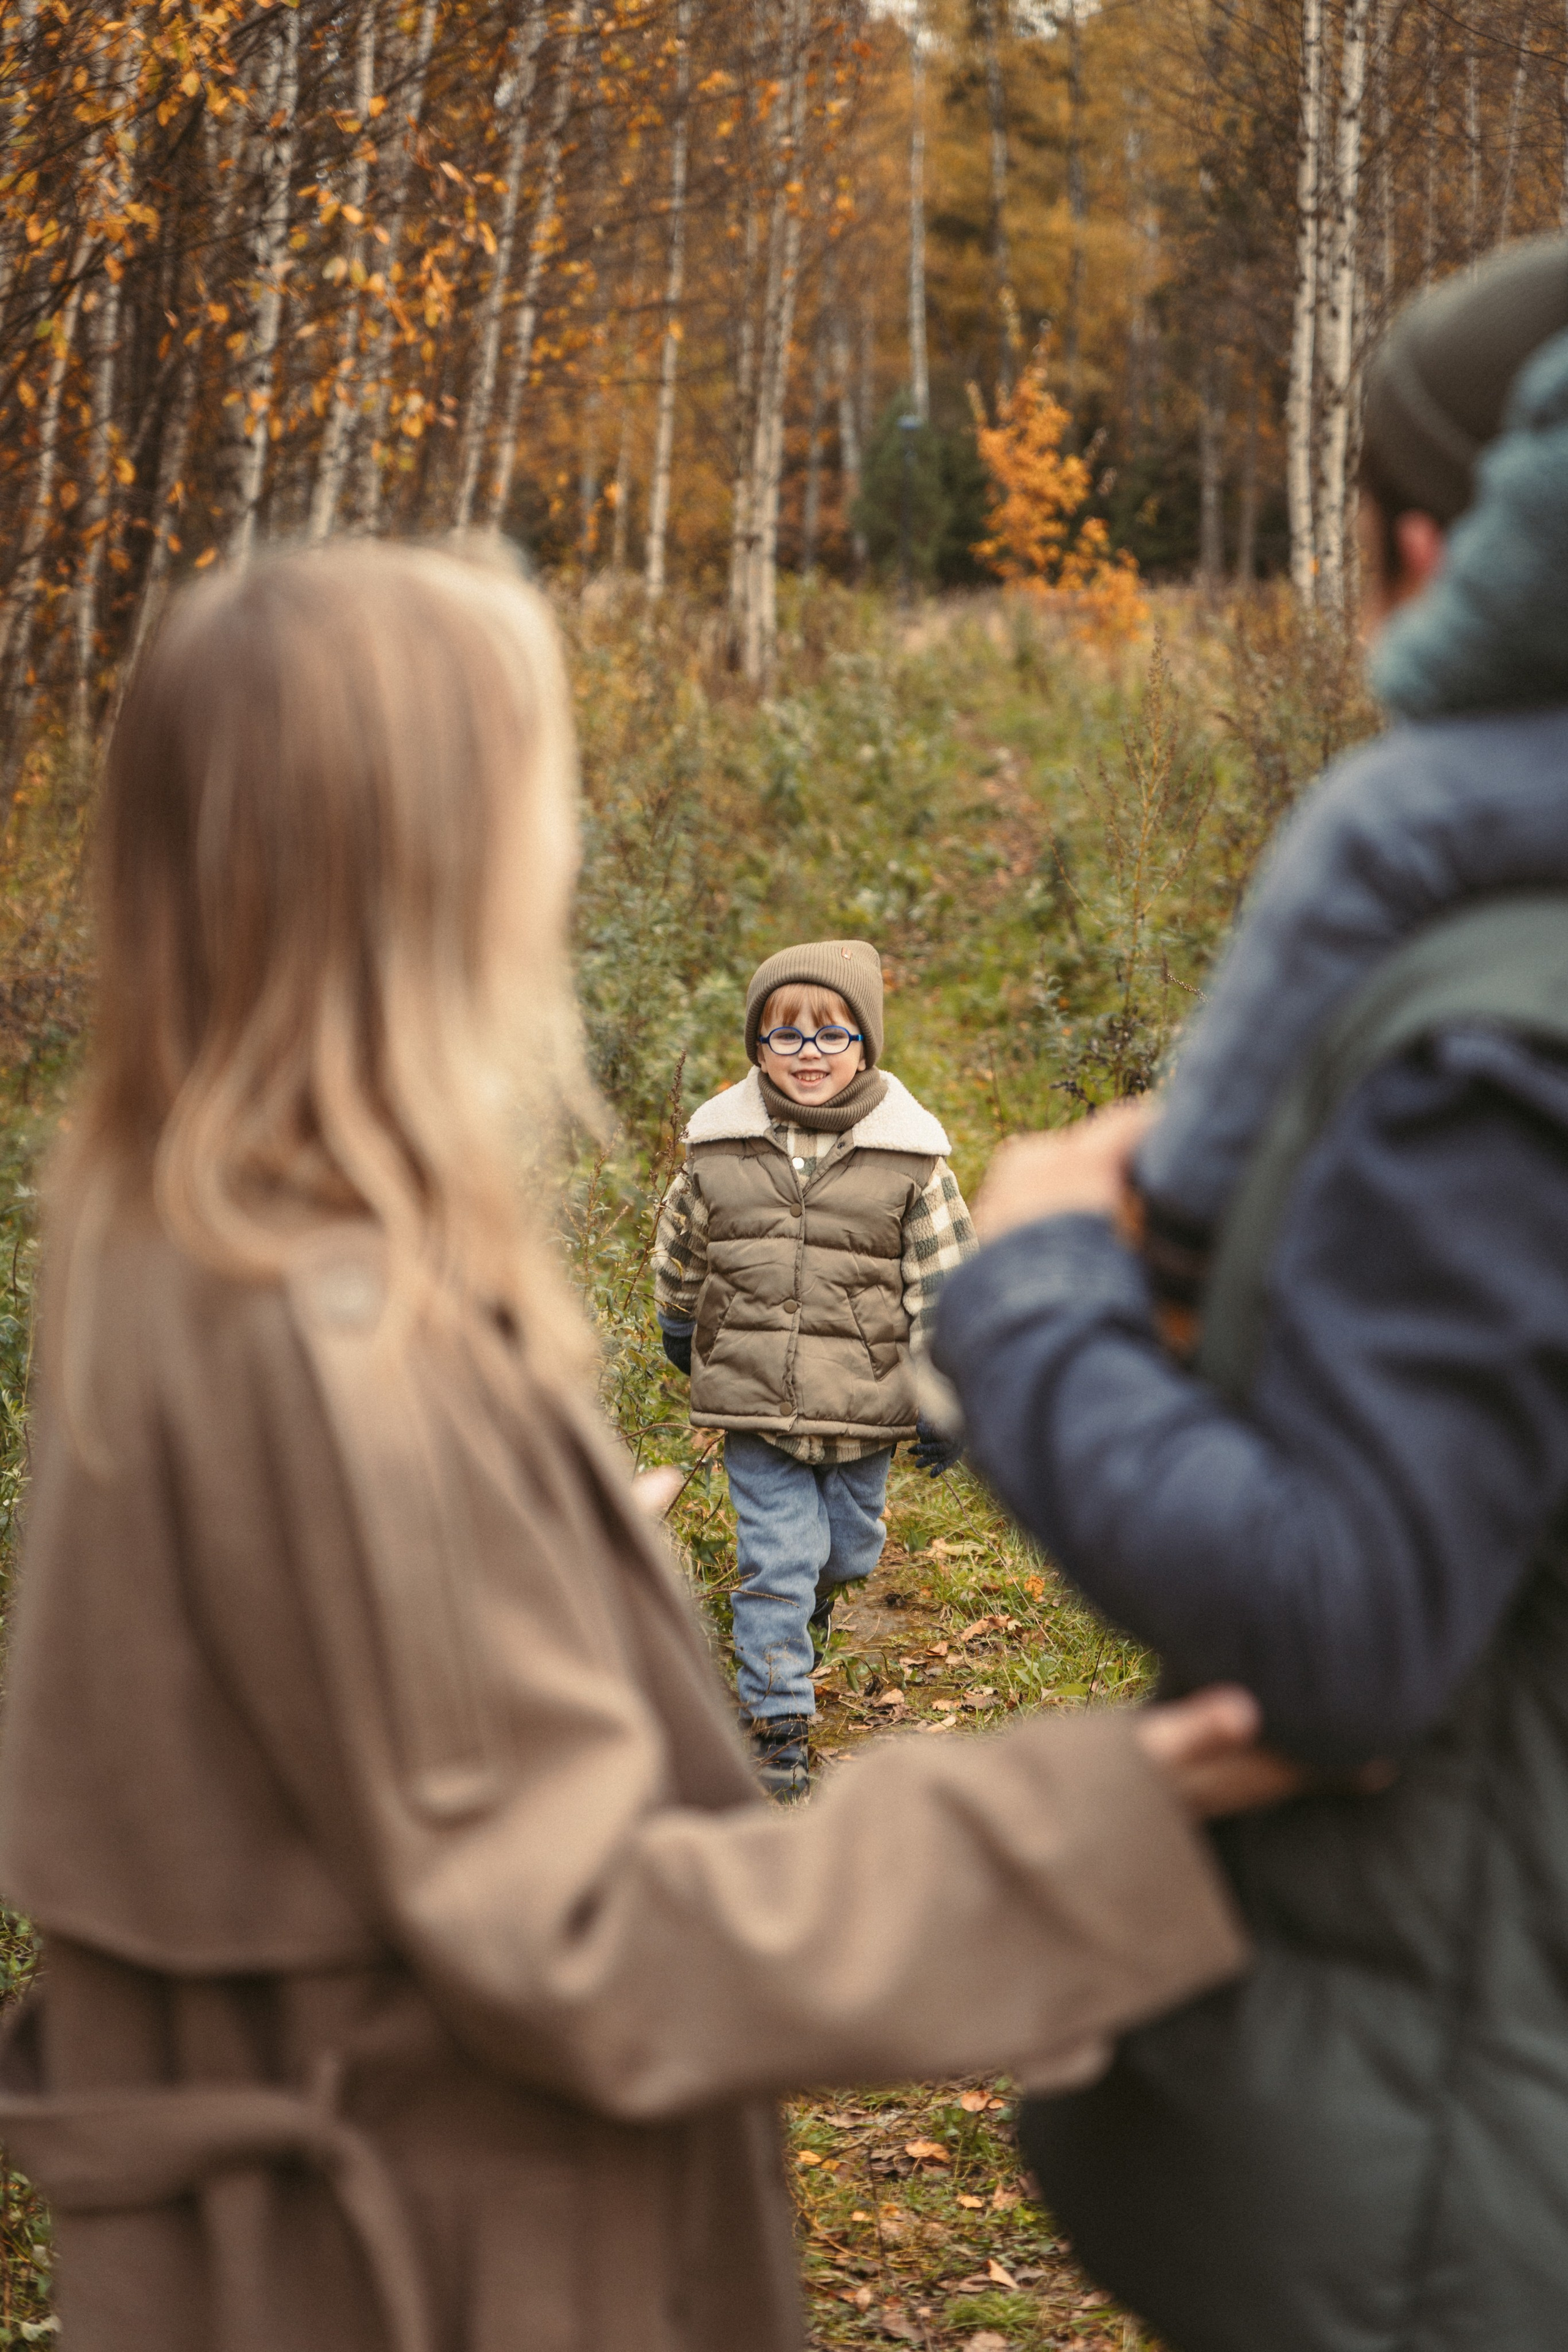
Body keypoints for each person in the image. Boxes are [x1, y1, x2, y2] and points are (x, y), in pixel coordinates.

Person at [0, 538, 1292, 2352]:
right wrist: (1106, 1811)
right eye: (545, 796)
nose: (567, 848)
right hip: (438, 2271)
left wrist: (534, 1548)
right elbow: (586, 1942)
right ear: (435, 863)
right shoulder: (329, 1344)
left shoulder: (159, 1245)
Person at [932, 232, 1568, 2352]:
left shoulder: (1493, 1039)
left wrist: (1037, 1290)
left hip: (1460, 2174)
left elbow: (1343, 1628)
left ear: (1423, 554)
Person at [654, 940, 974, 1797]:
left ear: (865, 1046)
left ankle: (810, 1612)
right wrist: (680, 1318)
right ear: (757, 1047)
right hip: (755, 1395)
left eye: (832, 1035)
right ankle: (778, 1726)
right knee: (778, 1562)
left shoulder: (911, 1158)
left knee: (846, 1553)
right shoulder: (719, 1146)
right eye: (785, 1036)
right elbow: (683, 1244)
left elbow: (946, 1280)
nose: (808, 1055)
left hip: (866, 1401)